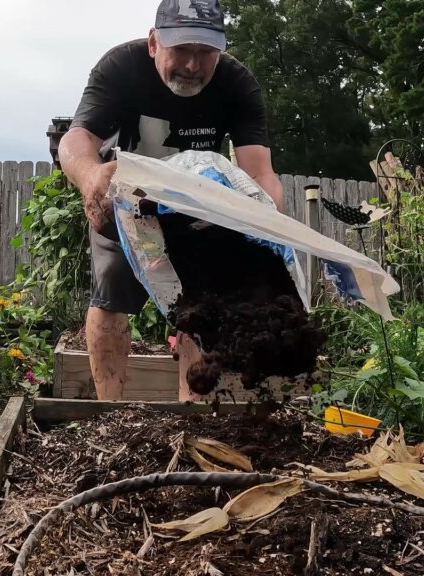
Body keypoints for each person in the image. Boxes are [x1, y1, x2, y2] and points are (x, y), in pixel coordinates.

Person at [58, 0, 286, 401]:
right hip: (125, 201)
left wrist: (269, 224)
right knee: (111, 293)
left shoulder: (236, 84)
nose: (193, 66)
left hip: (197, 208)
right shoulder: (120, 68)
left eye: (205, 53)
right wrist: (91, 175)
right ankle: (110, 412)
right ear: (153, 43)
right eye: (182, 50)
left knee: (200, 306)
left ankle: (192, 415)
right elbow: (76, 139)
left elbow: (259, 171)